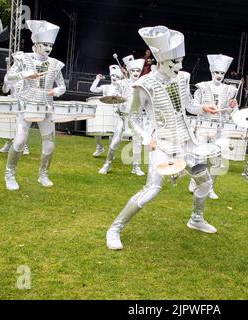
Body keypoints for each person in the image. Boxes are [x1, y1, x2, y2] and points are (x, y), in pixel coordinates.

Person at [106, 25, 218, 250]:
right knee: (151, 191)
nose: (180, 66)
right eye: (175, 62)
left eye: (180, 61)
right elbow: (133, 119)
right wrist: (148, 139)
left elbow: (187, 106)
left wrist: (203, 108)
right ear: (161, 60)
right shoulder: (143, 85)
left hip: (185, 142)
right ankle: (114, 229)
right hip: (162, 143)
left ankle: (196, 219)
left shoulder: (183, 79)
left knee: (204, 181)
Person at [4, 20, 66, 191]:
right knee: (20, 140)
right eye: (45, 44)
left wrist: (57, 91)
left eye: (50, 45)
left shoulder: (55, 64)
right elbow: (8, 78)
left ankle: (43, 174)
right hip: (26, 106)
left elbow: (62, 85)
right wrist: (25, 74)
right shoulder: (23, 59)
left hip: (46, 107)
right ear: (36, 44)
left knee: (50, 144)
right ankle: (9, 174)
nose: (48, 48)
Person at [188, 54, 238, 199]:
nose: (219, 75)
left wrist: (233, 106)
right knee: (200, 157)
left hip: (219, 128)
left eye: (222, 73)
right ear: (212, 72)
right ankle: (195, 181)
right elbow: (193, 105)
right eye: (217, 72)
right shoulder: (202, 87)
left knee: (217, 159)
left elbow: (232, 111)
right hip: (203, 126)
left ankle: (210, 188)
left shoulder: (230, 90)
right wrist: (203, 108)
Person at [98, 55, 146, 176]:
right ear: (129, 71)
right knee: (115, 142)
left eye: (138, 70)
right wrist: (119, 97)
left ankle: (136, 167)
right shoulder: (122, 83)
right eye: (133, 70)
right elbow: (113, 96)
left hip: (137, 118)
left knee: (137, 142)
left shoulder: (143, 85)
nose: (135, 73)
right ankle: (107, 164)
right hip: (122, 117)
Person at [88, 65, 125, 158]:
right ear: (110, 76)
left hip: (115, 110)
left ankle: (110, 151)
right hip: (104, 110)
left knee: (112, 133)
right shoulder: (105, 87)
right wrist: (97, 79)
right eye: (113, 76)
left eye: (117, 77)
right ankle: (99, 147)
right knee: (97, 130)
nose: (114, 78)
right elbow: (92, 89)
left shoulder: (122, 89)